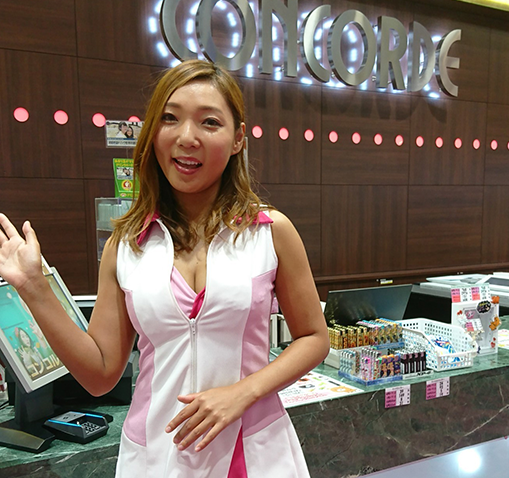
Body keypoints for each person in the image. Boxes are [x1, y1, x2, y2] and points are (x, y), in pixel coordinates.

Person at [0, 60, 329, 477]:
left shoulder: (269, 232)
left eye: (210, 122)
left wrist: (242, 392)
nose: (187, 137)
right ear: (153, 132)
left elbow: (314, 338)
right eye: (170, 118)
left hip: (255, 452)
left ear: (237, 139)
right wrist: (34, 288)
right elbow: (100, 375)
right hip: (157, 456)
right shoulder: (125, 245)